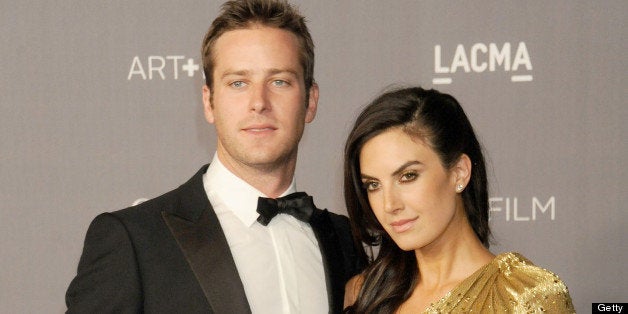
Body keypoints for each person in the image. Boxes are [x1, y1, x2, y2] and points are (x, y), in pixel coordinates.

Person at [65, 0, 366, 313]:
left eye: (279, 81)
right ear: (209, 101)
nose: (259, 102)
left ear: (310, 101)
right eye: (238, 83)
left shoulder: (344, 240)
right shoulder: (135, 241)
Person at [342, 87, 574, 313]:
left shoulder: (525, 298)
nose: (389, 205)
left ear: (459, 172)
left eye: (408, 176)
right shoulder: (365, 293)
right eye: (373, 185)